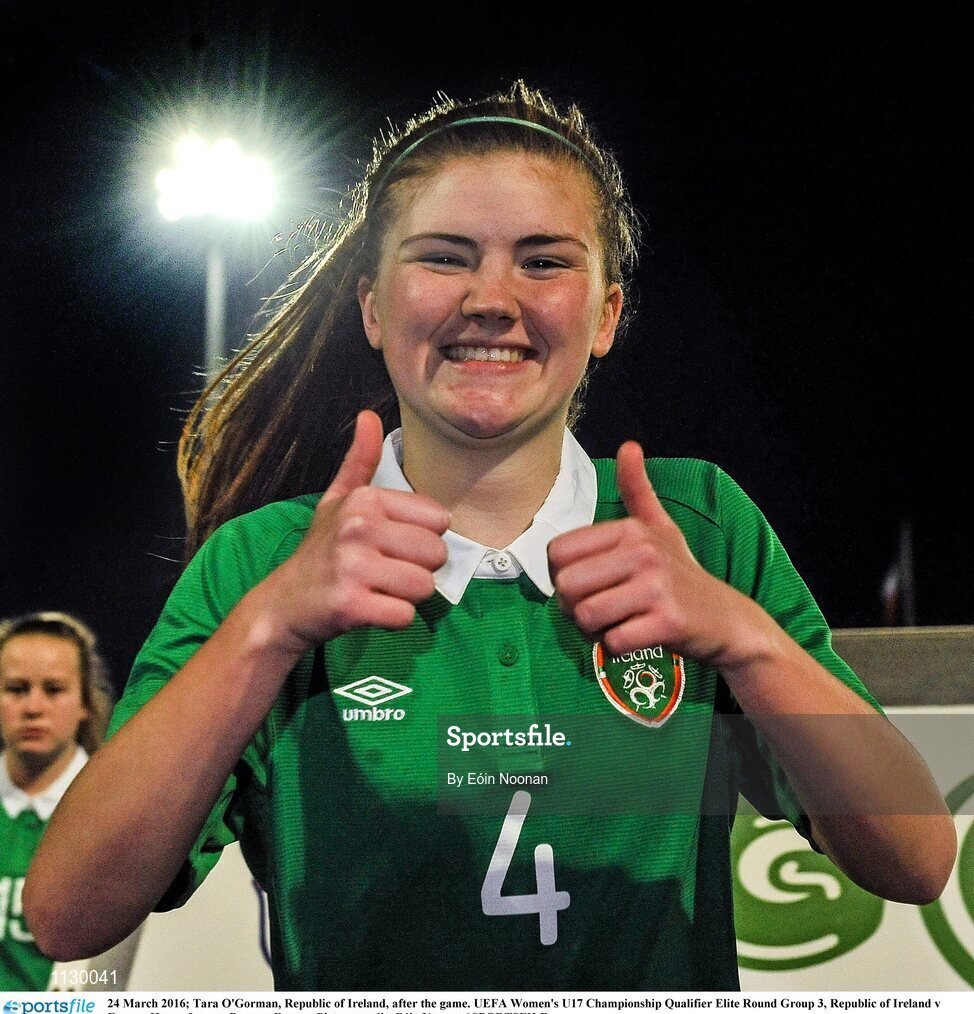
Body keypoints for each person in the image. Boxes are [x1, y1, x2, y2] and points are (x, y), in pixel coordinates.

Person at [25, 82, 955, 990]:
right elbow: (69, 915)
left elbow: (914, 859)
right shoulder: (268, 563)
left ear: (606, 315)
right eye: (444, 257)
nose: (492, 298)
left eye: (545, 261)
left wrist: (741, 639)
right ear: (373, 308)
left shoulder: (698, 530)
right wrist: (269, 629)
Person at [0, 611, 113, 990]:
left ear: (85, 702)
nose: (33, 707)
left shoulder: (113, 811)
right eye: (16, 688)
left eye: (53, 689)